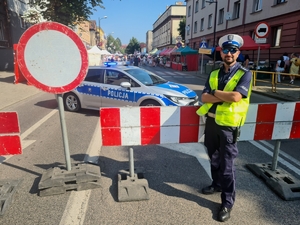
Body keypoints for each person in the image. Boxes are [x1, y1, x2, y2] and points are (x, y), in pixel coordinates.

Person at [196, 34, 252, 222]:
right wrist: (222, 95)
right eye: (225, 50)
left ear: (238, 53)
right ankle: (216, 184)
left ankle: (227, 203)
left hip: (228, 127)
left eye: (233, 50)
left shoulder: (245, 73)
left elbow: (236, 97)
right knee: (213, 158)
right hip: (211, 123)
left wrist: (214, 93)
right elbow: (203, 98)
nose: (229, 53)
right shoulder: (213, 73)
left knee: (227, 167)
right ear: (221, 52)